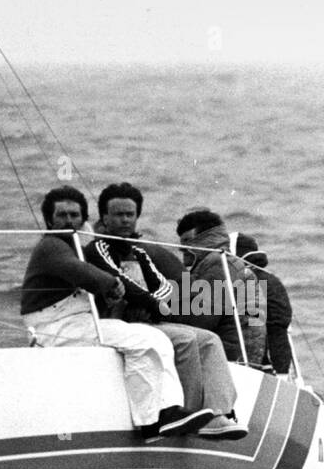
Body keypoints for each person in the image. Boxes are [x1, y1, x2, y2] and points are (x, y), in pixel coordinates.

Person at [21, 187, 212, 439]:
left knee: (157, 339)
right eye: (62, 216)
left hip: (77, 321)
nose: (69, 221)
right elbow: (77, 271)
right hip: (53, 326)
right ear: (49, 220)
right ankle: (149, 421)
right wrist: (110, 284)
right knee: (143, 341)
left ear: (84, 218)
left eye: (75, 215)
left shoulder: (76, 243)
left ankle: (168, 411)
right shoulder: (52, 245)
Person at [84, 184, 246, 439]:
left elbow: (159, 285)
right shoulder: (98, 248)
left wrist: (159, 306)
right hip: (118, 322)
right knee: (185, 339)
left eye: (130, 214)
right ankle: (189, 412)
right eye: (118, 214)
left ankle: (216, 414)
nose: (125, 219)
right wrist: (153, 304)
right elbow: (123, 283)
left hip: (145, 320)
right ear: (104, 218)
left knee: (209, 340)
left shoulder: (138, 252)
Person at [175, 209, 265, 365]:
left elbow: (204, 317)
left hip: (229, 358)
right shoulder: (225, 261)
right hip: (239, 353)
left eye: (188, 241)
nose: (182, 248)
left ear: (205, 239)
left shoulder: (217, 264)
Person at [234, 234, 295, 375]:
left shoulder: (251, 281)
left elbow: (252, 326)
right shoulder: (270, 278)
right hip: (280, 361)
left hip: (264, 365)